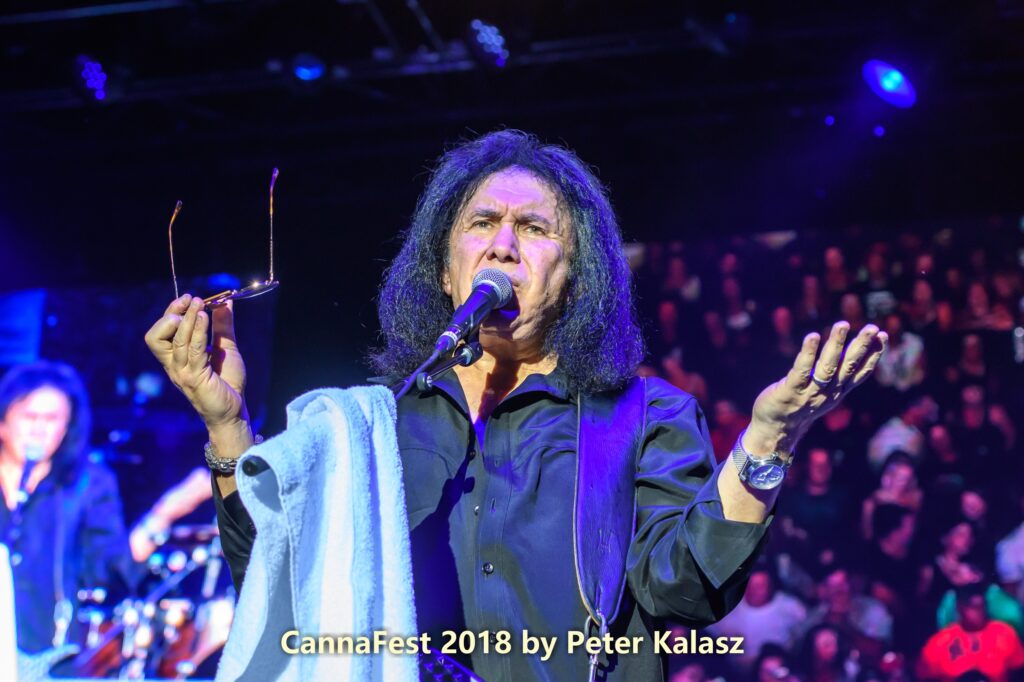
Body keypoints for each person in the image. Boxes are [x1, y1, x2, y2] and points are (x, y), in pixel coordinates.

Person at [144, 129, 888, 681]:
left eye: (533, 229)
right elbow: (280, 584)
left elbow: (686, 590)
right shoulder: (375, 423)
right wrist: (226, 425)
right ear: (444, 269)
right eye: (482, 224)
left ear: (574, 278)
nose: (504, 245)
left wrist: (767, 440)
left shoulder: (643, 420)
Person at [0, 361, 133, 653]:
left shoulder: (88, 485)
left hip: (50, 656)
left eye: (52, 419)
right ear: (3, 421)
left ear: (67, 427)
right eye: (29, 416)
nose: (39, 429)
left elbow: (107, 567)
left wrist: (161, 517)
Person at [917, 583, 1024, 682]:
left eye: (982, 606)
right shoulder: (940, 641)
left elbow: (1018, 671)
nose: (980, 612)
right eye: (974, 607)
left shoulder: (1004, 633)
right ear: (960, 607)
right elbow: (925, 676)